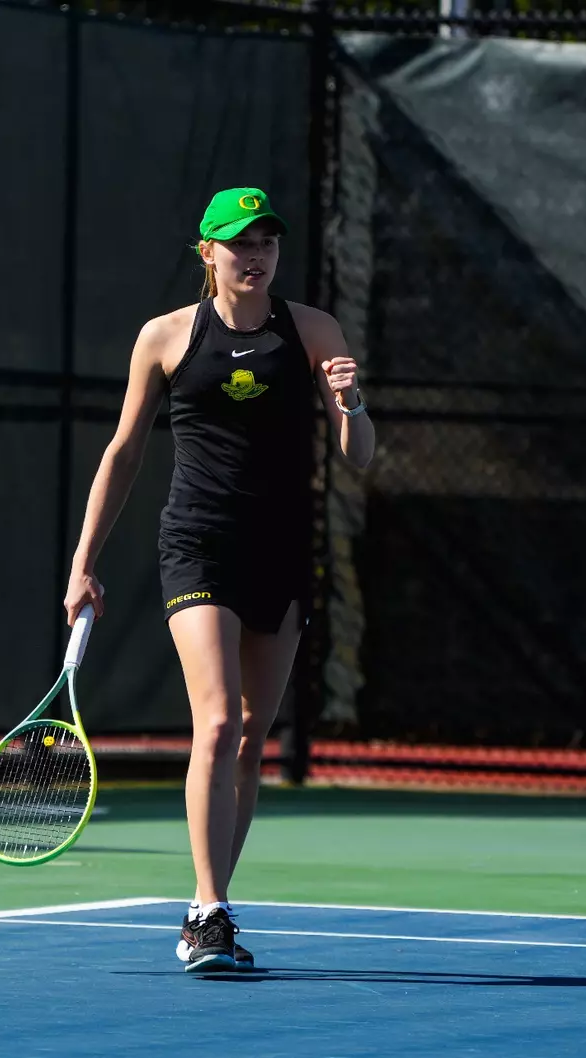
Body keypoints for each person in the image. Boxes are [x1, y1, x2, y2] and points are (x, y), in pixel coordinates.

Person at [63, 187, 375, 972]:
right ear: (208, 252)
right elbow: (125, 452)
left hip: (280, 552)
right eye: (239, 242)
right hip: (197, 545)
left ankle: (214, 903)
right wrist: (83, 561)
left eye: (267, 239)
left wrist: (352, 402)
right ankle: (209, 910)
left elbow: (360, 454)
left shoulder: (312, 330)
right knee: (218, 725)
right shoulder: (166, 338)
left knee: (249, 739)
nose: (256, 253)